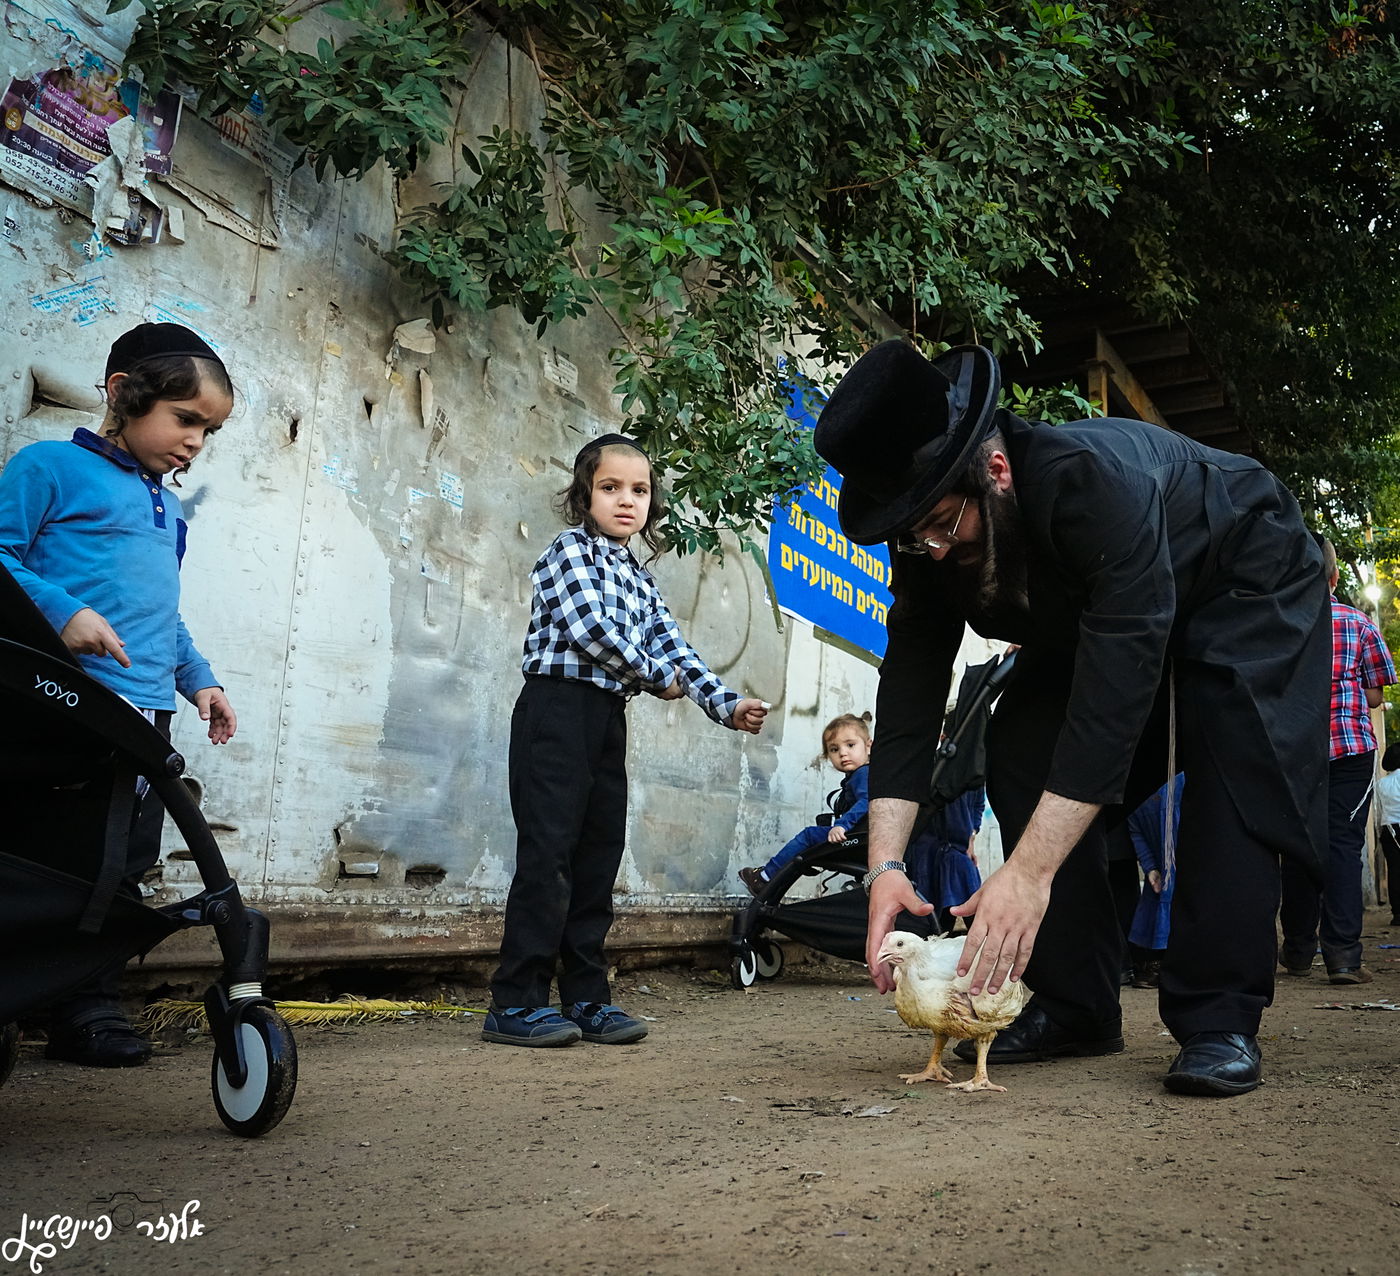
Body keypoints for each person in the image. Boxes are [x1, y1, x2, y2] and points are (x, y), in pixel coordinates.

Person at [813, 339, 1330, 1098]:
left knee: (1234, 756)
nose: (926, 548)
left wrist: (1028, 873)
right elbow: (913, 687)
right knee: (1022, 738)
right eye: (908, 535)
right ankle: (1076, 1003)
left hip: (1244, 577)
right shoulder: (929, 537)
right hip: (1110, 613)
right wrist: (886, 863)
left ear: (995, 472)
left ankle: (1219, 1015)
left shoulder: (1092, 486)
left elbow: (1113, 700)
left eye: (940, 527)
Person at [0, 321, 238, 1066]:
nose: (196, 442)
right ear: (122, 394)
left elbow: (161, 615)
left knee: (123, 864)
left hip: (143, 712)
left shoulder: (164, 507)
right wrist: (62, 612)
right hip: (57, 703)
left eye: (210, 430)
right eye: (186, 419)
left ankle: (88, 1007)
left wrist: (198, 679)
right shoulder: (49, 469)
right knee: (43, 855)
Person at [484, 434, 768, 1048]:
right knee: (548, 856)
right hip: (556, 715)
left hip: (606, 718)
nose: (625, 501)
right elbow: (592, 630)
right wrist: (652, 676)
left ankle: (586, 998)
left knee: (596, 858)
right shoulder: (568, 553)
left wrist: (726, 703)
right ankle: (516, 1002)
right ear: (584, 496)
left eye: (638, 491)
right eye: (610, 488)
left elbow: (675, 648)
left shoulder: (640, 580)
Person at [1280, 538, 1395, 983]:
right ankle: (1343, 956)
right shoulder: (1359, 623)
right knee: (1344, 848)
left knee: (1296, 847)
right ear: (1334, 577)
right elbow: (1374, 694)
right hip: (1348, 751)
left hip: (1293, 751)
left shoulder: (1280, 622)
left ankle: (1297, 949)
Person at [738, 712, 869, 894]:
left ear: (869, 746)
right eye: (834, 749)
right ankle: (797, 863)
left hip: (859, 838)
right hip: (859, 837)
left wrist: (842, 825)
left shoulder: (863, 774)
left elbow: (867, 802)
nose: (843, 753)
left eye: (850, 745)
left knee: (808, 835)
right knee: (815, 834)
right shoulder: (857, 775)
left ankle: (765, 877)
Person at [1125, 774, 1183, 990]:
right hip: (1162, 866)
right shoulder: (1134, 789)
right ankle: (1159, 964)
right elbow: (1135, 829)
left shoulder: (1180, 781)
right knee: (1157, 912)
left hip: (1186, 862)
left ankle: (1168, 965)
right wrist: (1150, 867)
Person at [1376, 743, 1400, 927]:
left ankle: (1398, 914)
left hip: (1389, 830)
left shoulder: (1381, 784)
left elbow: (1378, 811)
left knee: (1395, 871)